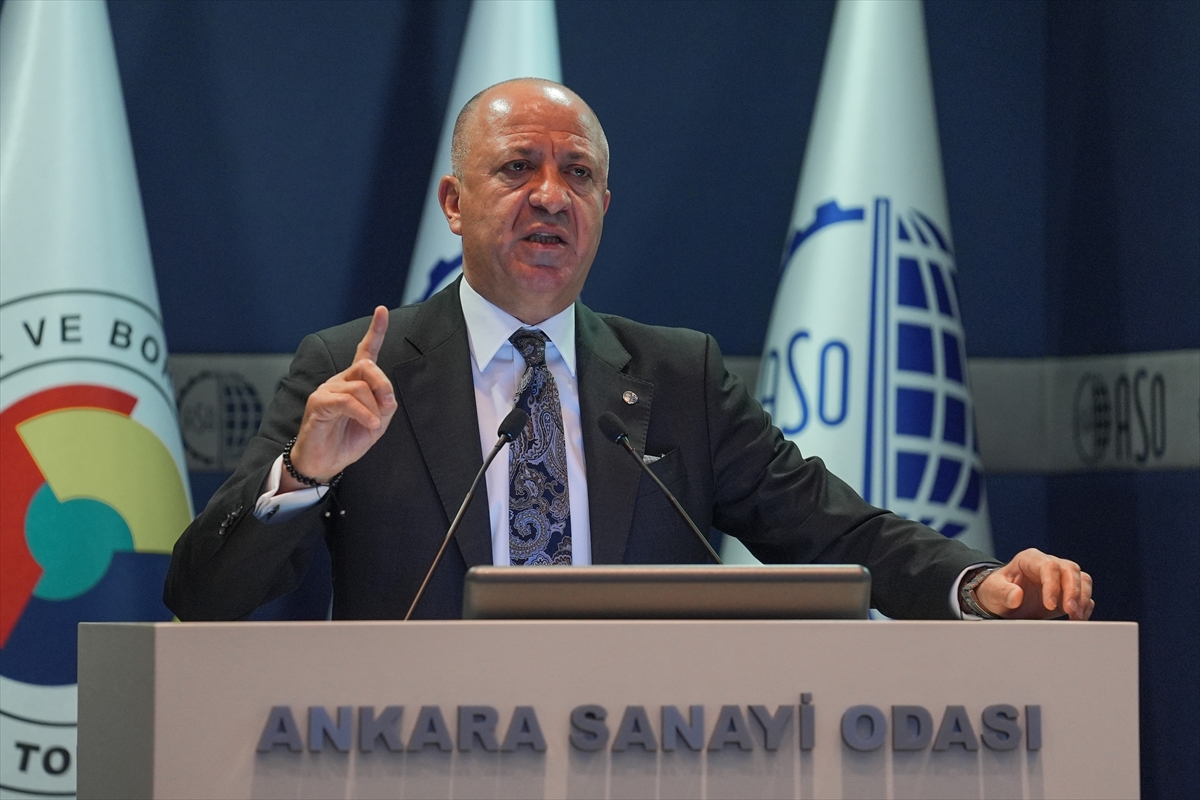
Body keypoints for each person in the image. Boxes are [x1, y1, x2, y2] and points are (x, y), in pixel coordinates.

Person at [164, 78, 1094, 623]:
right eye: (517, 167)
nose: (550, 195)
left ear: (603, 206)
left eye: (577, 173)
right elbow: (203, 596)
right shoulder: (357, 373)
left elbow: (832, 529)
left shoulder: (678, 377)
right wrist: (303, 474)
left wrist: (978, 583)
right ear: (454, 203)